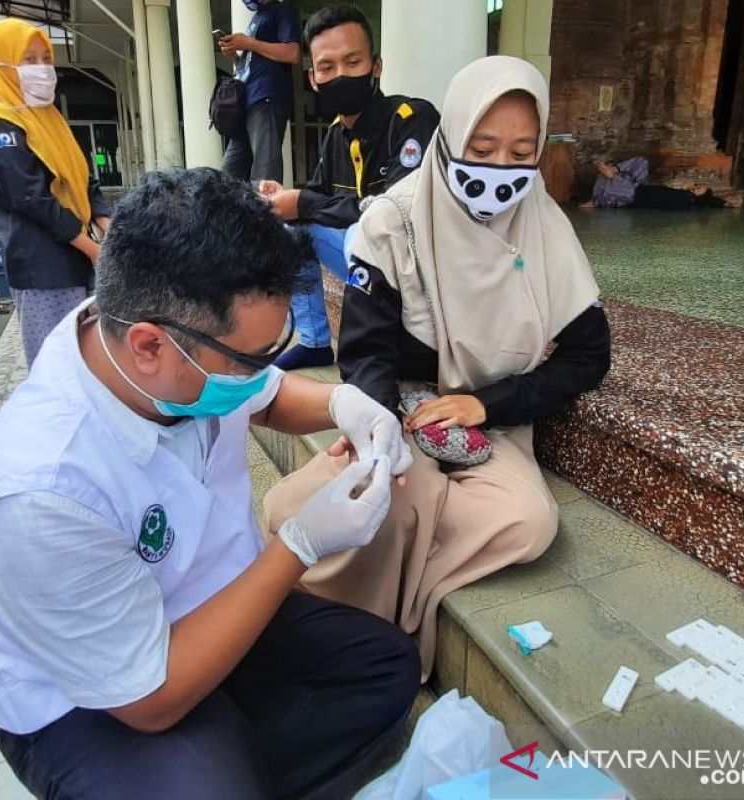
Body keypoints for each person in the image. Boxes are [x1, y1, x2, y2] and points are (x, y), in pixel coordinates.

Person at [0, 168, 421, 799]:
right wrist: (300, 545)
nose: (264, 370)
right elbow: (148, 699)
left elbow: (264, 394)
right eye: (250, 357)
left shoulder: (170, 354)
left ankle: (227, 766)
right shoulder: (40, 492)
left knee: (385, 669)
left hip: (215, 601)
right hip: (96, 696)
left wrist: (345, 403)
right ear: (149, 345)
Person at [264, 57, 612, 678]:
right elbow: (367, 352)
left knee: (527, 522)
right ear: (449, 135)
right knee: (395, 493)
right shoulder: (394, 220)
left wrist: (488, 404)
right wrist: (382, 432)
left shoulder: (546, 228)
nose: (501, 169)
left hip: (488, 417)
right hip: (401, 404)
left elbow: (589, 355)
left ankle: (412, 595)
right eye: (482, 147)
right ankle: (353, 635)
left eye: (520, 152)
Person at [262, 5, 439, 371]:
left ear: (376, 66)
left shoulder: (410, 120)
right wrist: (285, 199)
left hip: (415, 275)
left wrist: (305, 203)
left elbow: (400, 214)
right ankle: (314, 342)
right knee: (287, 230)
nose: (340, 75)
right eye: (327, 67)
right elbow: (316, 200)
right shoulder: (334, 136)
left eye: (352, 62)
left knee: (366, 230)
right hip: (361, 262)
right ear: (313, 78)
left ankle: (388, 346)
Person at [0, 18, 113, 367]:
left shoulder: (48, 118)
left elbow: (81, 175)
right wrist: (92, 248)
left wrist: (107, 225)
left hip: (78, 257)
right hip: (43, 265)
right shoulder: (0, 122)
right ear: (2, 64)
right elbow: (30, 198)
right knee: (57, 361)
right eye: (28, 60)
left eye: (45, 58)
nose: (42, 69)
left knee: (89, 356)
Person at [220, 0, 301, 183]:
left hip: (266, 97)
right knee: (227, 177)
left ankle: (266, 211)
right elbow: (252, 63)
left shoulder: (283, 9)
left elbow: (292, 53)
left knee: (265, 173)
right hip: (246, 102)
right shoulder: (258, 16)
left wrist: (249, 43)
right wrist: (235, 56)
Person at [581, 157, 741, 210]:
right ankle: (613, 171)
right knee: (642, 162)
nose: (695, 186)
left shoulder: (684, 200)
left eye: (697, 188)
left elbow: (709, 201)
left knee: (621, 191)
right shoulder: (682, 192)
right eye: (697, 184)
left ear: (697, 197)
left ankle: (596, 200)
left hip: (632, 195)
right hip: (637, 186)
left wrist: (725, 204)